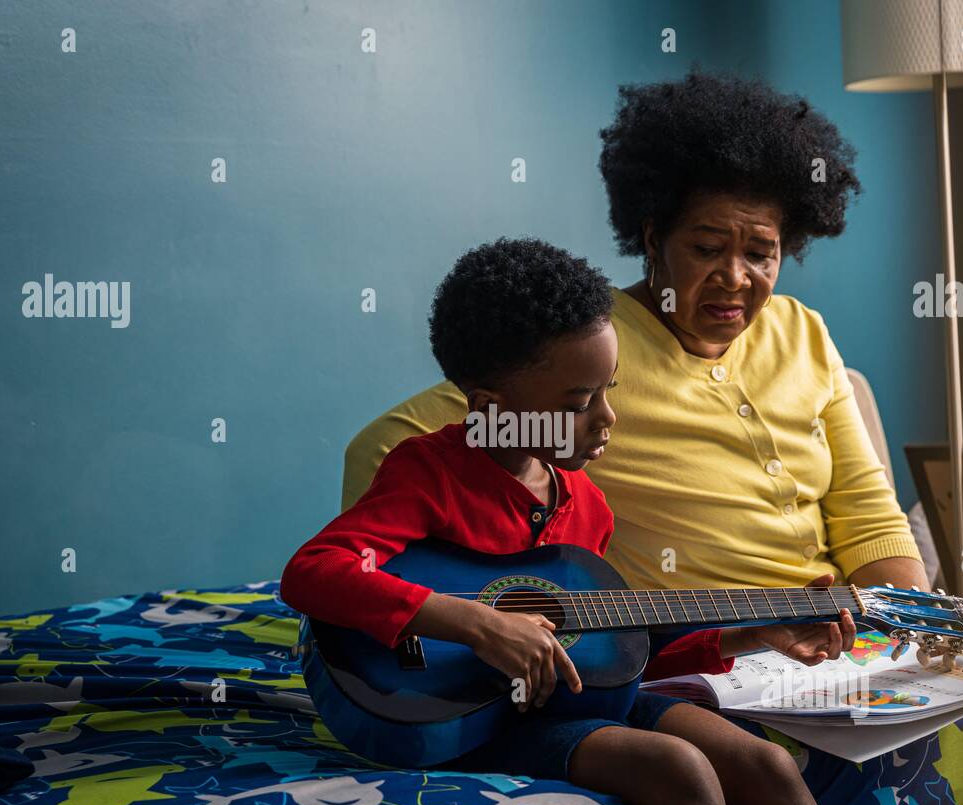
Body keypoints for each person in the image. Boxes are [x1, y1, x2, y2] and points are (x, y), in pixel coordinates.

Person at [281, 238, 855, 805]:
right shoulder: (429, 474)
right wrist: (476, 624)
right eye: (578, 404)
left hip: (580, 698)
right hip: (475, 717)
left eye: (610, 390)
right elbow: (315, 572)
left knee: (767, 762)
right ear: (491, 410)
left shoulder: (586, 505)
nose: (606, 418)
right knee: (677, 768)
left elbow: (618, 652)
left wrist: (755, 634)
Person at [342, 71, 929, 597]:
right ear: (652, 238)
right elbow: (386, 446)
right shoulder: (586, 349)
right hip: (704, 655)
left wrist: (917, 629)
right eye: (705, 248)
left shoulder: (802, 330)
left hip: (832, 636)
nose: (735, 277)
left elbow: (868, 516)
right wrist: (440, 600)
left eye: (760, 253)